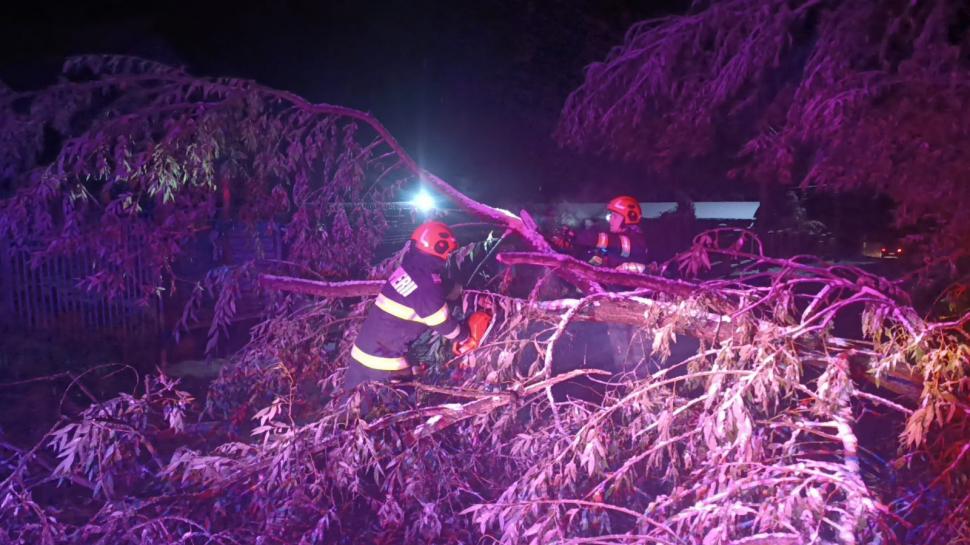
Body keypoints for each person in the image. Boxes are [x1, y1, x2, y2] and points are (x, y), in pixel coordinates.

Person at [344, 221, 488, 395]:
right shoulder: (426, 285)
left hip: (361, 353)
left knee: (351, 412)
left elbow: (443, 288)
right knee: (395, 411)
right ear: (441, 246)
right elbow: (444, 325)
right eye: (448, 251)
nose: (448, 255)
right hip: (384, 364)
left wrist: (473, 296)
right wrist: (466, 336)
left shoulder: (410, 270)